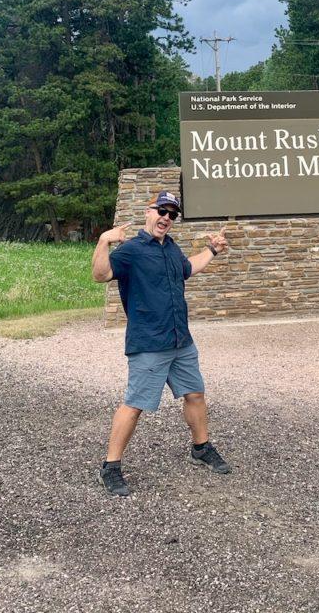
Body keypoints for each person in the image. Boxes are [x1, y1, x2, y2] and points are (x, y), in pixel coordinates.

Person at [92, 189, 231, 497]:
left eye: (172, 214)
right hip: (149, 343)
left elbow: (186, 269)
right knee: (135, 405)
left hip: (180, 340)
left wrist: (212, 249)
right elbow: (100, 275)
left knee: (194, 394)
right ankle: (110, 467)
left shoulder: (170, 248)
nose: (166, 218)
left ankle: (201, 448)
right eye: (162, 211)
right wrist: (104, 241)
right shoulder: (132, 250)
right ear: (148, 211)